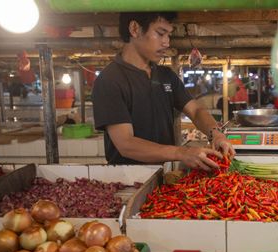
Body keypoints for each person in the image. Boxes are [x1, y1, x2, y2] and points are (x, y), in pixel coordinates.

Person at [92, 12, 235, 171]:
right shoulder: (110, 80)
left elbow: (195, 110)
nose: (167, 42)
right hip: (130, 179)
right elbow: (126, 144)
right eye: (160, 33)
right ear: (134, 29)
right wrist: (182, 152)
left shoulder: (166, 76)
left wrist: (215, 133)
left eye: (169, 35)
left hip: (165, 176)